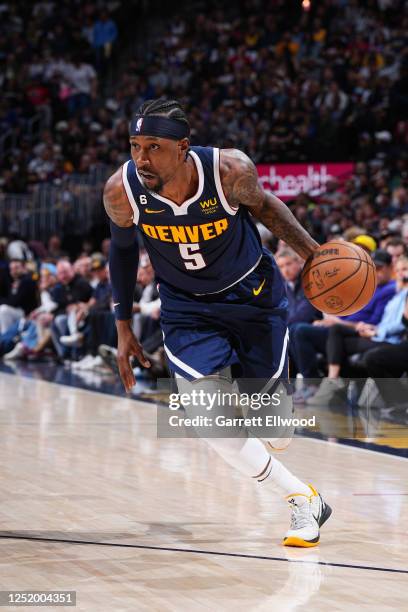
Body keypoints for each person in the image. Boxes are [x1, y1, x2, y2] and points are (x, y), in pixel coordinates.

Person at [103, 98, 332, 548]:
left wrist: (316, 256)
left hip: (253, 301)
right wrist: (123, 324)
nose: (141, 158)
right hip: (187, 311)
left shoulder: (229, 172)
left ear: (184, 147)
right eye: (134, 145)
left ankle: (271, 397)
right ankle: (302, 499)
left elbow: (267, 209)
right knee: (211, 421)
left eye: (153, 146)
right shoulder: (121, 190)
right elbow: (123, 251)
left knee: (276, 433)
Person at [307, 255, 408, 406]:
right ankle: (334, 382)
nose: (401, 273)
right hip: (379, 333)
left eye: (405, 269)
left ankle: (333, 381)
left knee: (340, 345)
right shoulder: (397, 295)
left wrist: (376, 331)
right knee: (334, 340)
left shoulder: (402, 293)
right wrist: (372, 328)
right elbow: (387, 322)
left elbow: (400, 323)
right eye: (399, 270)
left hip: (389, 340)